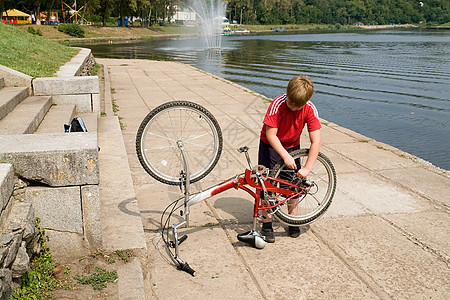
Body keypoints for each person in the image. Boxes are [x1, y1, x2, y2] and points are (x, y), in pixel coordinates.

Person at [258, 75, 321, 243]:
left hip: (293, 145)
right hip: (270, 144)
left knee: (293, 183)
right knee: (267, 184)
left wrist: (307, 167)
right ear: (286, 94)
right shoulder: (277, 105)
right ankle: (267, 223)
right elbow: (271, 134)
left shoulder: (309, 109)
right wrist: (284, 155)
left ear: (306, 101)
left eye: (297, 106)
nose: (293, 108)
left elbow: (316, 141)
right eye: (291, 103)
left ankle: (292, 220)